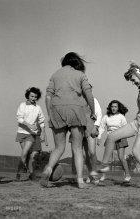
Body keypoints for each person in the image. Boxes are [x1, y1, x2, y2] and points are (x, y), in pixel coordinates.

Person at [40, 52, 96, 189]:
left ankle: (48, 169)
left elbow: (48, 97)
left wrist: (50, 114)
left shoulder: (55, 74)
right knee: (77, 148)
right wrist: (93, 111)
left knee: (59, 147)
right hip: (75, 110)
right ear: (77, 62)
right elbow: (88, 94)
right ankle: (80, 181)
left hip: (56, 109)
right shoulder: (80, 75)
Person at [15, 87, 46, 181]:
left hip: (31, 134)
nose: (33, 98)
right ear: (28, 96)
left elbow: (42, 121)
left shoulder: (38, 108)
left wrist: (43, 132)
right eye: (32, 96)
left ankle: (19, 174)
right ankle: (29, 173)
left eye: (35, 97)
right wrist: (29, 125)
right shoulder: (22, 105)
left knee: (24, 153)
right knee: (26, 155)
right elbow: (19, 118)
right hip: (21, 133)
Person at [97, 100, 131, 183]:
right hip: (110, 138)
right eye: (112, 106)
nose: (114, 108)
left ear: (118, 108)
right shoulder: (106, 117)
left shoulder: (121, 117)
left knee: (121, 157)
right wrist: (99, 137)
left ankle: (127, 175)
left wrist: (123, 136)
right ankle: (103, 176)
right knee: (106, 159)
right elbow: (101, 128)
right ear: (110, 107)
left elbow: (126, 128)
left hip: (120, 137)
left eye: (115, 107)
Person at [70, 97, 102, 184]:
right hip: (78, 126)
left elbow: (99, 114)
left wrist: (96, 126)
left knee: (92, 152)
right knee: (81, 154)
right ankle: (79, 175)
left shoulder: (93, 99)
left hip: (90, 126)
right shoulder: (75, 99)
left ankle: (94, 174)